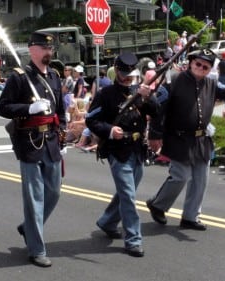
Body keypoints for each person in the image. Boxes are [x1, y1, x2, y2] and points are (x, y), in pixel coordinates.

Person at [145, 48, 225, 230]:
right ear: (190, 63)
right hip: (179, 137)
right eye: (198, 64)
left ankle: (190, 217)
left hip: (201, 139)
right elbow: (158, 108)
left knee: (201, 179)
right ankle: (158, 205)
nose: (201, 68)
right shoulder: (174, 80)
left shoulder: (210, 83)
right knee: (180, 176)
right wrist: (154, 134)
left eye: (206, 66)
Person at [0, 31, 67, 267]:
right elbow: (3, 108)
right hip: (30, 143)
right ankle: (36, 249)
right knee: (35, 198)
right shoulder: (19, 77)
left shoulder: (55, 76)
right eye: (44, 48)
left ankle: (28, 227)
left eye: (50, 49)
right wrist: (29, 108)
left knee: (54, 193)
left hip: (52, 142)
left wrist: (63, 133)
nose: (49, 52)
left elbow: (60, 111)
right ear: (32, 50)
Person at [85, 52, 160, 257]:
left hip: (137, 149)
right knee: (128, 196)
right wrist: (109, 130)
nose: (127, 77)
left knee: (126, 193)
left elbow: (156, 112)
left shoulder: (139, 91)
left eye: (130, 74)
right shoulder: (106, 93)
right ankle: (133, 239)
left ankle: (108, 222)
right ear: (116, 71)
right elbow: (91, 120)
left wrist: (148, 97)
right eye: (123, 73)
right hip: (117, 151)